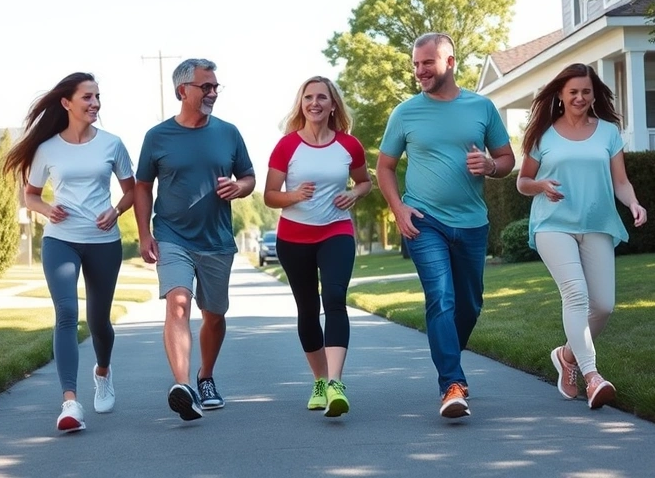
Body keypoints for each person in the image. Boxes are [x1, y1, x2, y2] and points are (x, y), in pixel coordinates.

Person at [376, 33, 516, 418]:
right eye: (415, 64)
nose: (419, 71)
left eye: (427, 64)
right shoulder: (405, 113)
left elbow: (507, 158)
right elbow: (384, 167)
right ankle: (451, 384)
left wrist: (490, 166)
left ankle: (451, 362)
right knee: (441, 296)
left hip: (472, 223)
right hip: (424, 220)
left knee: (469, 305)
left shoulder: (481, 107)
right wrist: (398, 209)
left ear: (450, 63)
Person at [3, 72, 136, 433]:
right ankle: (70, 403)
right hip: (60, 239)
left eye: (97, 97)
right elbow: (30, 195)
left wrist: (117, 211)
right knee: (66, 313)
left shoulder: (112, 144)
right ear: (67, 103)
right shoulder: (47, 149)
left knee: (99, 320)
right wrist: (46, 209)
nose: (95, 104)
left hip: (103, 242)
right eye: (87, 97)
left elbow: (132, 191)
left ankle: (103, 372)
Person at [516, 62, 647, 409]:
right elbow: (523, 182)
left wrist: (633, 203)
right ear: (560, 93)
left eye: (585, 91)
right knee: (576, 295)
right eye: (573, 91)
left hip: (597, 223)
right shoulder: (543, 134)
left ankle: (566, 356)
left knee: (603, 305)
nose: (579, 97)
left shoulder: (608, 132)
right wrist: (541, 185)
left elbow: (620, 181)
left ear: (593, 94)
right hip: (553, 224)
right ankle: (592, 377)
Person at [135, 58, 255, 422]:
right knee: (178, 303)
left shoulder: (228, 133)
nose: (213, 92)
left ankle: (205, 377)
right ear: (182, 91)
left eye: (216, 86)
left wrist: (239, 187)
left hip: (216, 239)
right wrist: (144, 233)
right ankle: (183, 386)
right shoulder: (157, 137)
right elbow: (142, 185)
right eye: (206, 86)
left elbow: (249, 177)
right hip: (172, 235)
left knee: (214, 316)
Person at [263, 76, 372, 417]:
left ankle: (337, 382)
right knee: (308, 311)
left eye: (321, 97)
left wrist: (354, 194)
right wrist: (293, 196)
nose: (315, 102)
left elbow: (365, 181)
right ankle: (320, 381)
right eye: (308, 97)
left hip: (336, 231)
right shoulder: (286, 146)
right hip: (294, 238)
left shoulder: (349, 145)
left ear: (332, 104)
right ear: (301, 104)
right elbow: (269, 195)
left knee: (335, 300)